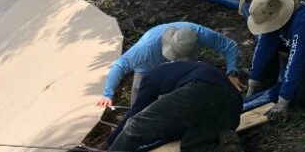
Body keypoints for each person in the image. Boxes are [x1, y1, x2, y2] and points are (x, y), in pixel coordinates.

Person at [88, 60, 246, 152]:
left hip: (201, 89)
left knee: (136, 125)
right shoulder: (184, 68)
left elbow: (135, 117)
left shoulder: (150, 77)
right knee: (190, 146)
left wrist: (107, 144)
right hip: (233, 107)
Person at [97, 22, 242, 107]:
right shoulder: (145, 50)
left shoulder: (197, 34)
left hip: (185, 67)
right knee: (139, 106)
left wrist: (231, 73)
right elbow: (120, 64)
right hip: (148, 68)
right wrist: (107, 94)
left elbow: (230, 46)